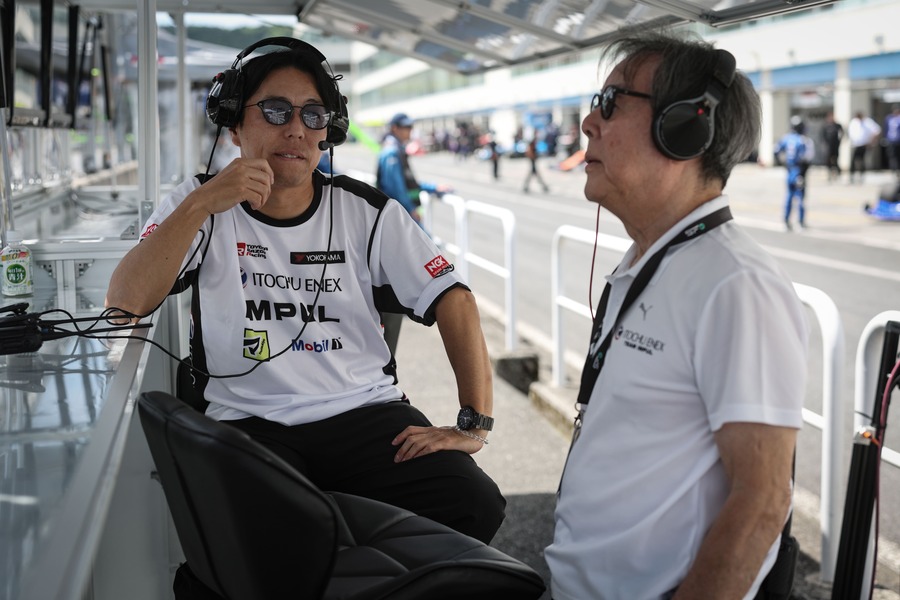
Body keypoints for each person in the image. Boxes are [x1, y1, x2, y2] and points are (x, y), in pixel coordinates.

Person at [106, 37, 504, 555]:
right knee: (266, 542)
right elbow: (124, 303)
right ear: (234, 123)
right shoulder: (198, 199)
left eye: (313, 115)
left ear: (328, 132)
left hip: (365, 414)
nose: (296, 129)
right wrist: (201, 204)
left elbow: (455, 299)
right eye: (275, 110)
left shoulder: (366, 211)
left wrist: (473, 424)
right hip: (249, 422)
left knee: (474, 502)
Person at [545, 29, 808, 600]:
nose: (588, 123)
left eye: (610, 103)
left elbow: (763, 500)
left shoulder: (736, 285)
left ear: (684, 126)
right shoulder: (648, 260)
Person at [376, 112, 450, 354]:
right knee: (425, 259)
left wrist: (433, 188)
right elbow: (396, 188)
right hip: (398, 220)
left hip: (397, 219)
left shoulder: (395, 150)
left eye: (410, 127)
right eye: (405, 127)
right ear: (395, 128)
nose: (409, 131)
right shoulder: (391, 152)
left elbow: (408, 182)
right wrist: (410, 211)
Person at [774, 115, 815, 230]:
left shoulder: (786, 138)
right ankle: (800, 221)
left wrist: (783, 163)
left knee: (789, 195)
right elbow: (808, 157)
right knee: (800, 196)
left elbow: (776, 150)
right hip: (799, 171)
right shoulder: (803, 140)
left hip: (790, 170)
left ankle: (786, 219)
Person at [848, 111, 881, 183]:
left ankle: (862, 176)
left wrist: (871, 141)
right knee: (853, 160)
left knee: (862, 160)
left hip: (864, 144)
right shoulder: (854, 122)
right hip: (856, 144)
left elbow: (877, 130)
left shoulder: (867, 122)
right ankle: (852, 176)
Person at [821, 111, 843, 182]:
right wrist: (825, 143)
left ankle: (837, 173)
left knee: (835, 160)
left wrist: (840, 140)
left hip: (835, 146)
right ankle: (829, 173)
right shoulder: (826, 126)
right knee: (828, 160)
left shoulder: (837, 125)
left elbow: (842, 132)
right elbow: (822, 135)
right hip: (828, 146)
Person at [885, 104, 900, 177]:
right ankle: (894, 169)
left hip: (898, 140)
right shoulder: (889, 118)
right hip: (891, 140)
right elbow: (886, 128)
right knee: (892, 156)